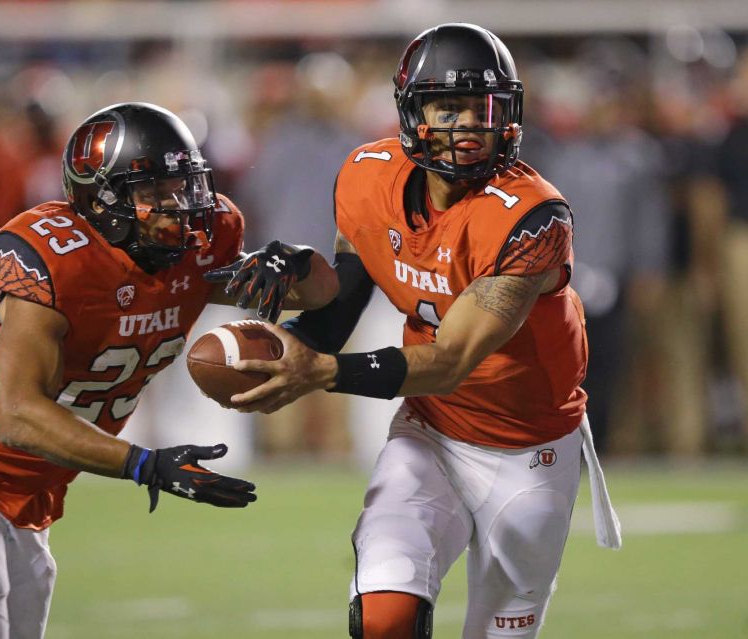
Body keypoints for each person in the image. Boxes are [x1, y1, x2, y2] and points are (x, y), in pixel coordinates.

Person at [212, 24, 621, 639]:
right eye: (449, 107)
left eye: (484, 108)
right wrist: (282, 310)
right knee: (384, 613)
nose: (469, 126)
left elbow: (453, 356)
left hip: (528, 451)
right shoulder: (366, 175)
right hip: (431, 430)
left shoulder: (534, 216)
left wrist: (321, 374)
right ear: (412, 110)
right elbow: (342, 301)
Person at [0, 102, 337, 638]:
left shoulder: (192, 250)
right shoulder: (58, 259)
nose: (180, 208)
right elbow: (17, 415)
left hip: (32, 502)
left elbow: (319, 295)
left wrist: (294, 259)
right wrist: (145, 464)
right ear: (103, 200)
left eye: (184, 187)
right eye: (157, 193)